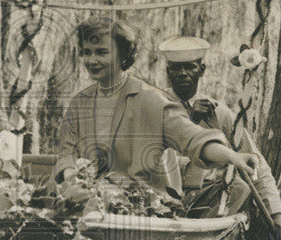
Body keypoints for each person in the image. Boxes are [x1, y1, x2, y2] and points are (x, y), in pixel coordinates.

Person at [55, 18, 260, 197]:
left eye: (101, 52)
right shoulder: (80, 102)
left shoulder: (151, 100)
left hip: (144, 205)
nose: (92, 61)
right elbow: (67, 153)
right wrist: (72, 177)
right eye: (86, 53)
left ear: (123, 55)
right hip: (86, 200)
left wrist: (233, 156)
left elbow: (194, 139)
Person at [159, 34, 281, 240]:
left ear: (201, 70)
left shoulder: (217, 112)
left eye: (190, 67)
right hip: (162, 197)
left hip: (205, 203)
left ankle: (203, 238)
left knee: (240, 185)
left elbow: (253, 159)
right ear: (168, 72)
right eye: (176, 68)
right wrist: (191, 122)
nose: (183, 74)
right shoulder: (156, 106)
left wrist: (278, 214)